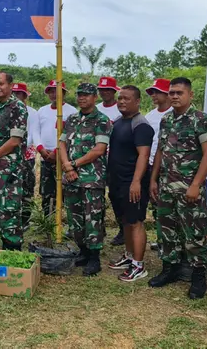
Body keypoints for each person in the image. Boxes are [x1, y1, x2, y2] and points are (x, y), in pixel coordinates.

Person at [149, 77, 207, 299]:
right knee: (166, 229)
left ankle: (198, 276)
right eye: (172, 93)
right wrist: (153, 179)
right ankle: (170, 268)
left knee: (194, 232)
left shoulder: (202, 121)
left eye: (179, 93)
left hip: (189, 188)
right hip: (166, 186)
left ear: (190, 95)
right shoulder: (166, 120)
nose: (174, 96)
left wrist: (196, 184)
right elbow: (160, 151)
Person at [58, 83, 112, 276]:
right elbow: (62, 143)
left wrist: (74, 165)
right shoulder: (72, 119)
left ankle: (94, 257)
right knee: (75, 217)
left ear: (94, 97)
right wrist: (66, 165)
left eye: (87, 95)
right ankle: (83, 250)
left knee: (93, 218)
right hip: (71, 177)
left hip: (92, 178)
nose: (82, 98)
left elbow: (99, 150)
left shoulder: (102, 120)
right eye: (80, 95)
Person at [106, 86, 154, 282]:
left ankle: (139, 265)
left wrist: (136, 182)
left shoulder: (141, 125)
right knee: (125, 220)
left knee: (135, 222)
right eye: (120, 98)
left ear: (137, 101)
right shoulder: (118, 122)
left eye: (126, 98)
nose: (122, 102)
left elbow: (144, 154)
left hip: (132, 182)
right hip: (117, 180)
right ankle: (129, 255)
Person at [0, 72, 28, 250]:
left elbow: (15, 141)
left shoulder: (18, 107)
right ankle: (5, 243)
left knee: (9, 210)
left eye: (0, 84)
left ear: (11, 85)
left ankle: (13, 250)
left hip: (10, 169)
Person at [37, 80, 77, 216]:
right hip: (45, 157)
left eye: (57, 91)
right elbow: (36, 132)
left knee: (66, 191)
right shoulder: (42, 111)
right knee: (47, 192)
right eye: (51, 91)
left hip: (63, 157)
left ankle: (68, 223)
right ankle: (48, 221)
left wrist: (56, 152)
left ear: (64, 93)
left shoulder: (72, 111)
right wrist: (41, 149)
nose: (54, 94)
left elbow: (72, 135)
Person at [145, 78, 172, 252]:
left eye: (157, 92)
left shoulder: (174, 114)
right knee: (156, 205)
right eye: (152, 93)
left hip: (170, 168)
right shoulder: (149, 116)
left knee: (171, 208)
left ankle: (171, 242)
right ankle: (161, 239)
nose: (153, 96)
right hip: (151, 164)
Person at [97, 76, 124, 246]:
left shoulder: (120, 109)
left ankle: (122, 229)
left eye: (108, 90)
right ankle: (98, 228)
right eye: (101, 89)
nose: (104, 92)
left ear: (114, 91)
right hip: (97, 161)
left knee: (116, 196)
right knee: (96, 197)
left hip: (115, 160)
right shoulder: (96, 109)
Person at [12, 82, 39, 226]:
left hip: (27, 154)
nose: (16, 97)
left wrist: (24, 149)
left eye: (18, 94)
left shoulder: (32, 112)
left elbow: (33, 133)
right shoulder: (9, 110)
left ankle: (25, 218)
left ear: (24, 96)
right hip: (11, 154)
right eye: (14, 94)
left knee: (27, 186)